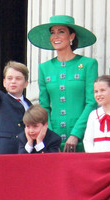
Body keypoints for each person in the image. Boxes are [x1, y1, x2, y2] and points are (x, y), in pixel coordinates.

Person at [28, 15, 98, 152]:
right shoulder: (44, 68)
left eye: (61, 32)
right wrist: (51, 136)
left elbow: (92, 102)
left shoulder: (88, 64)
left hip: (83, 135)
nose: (56, 36)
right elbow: (44, 106)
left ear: (71, 36)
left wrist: (76, 134)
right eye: (53, 32)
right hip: (54, 135)